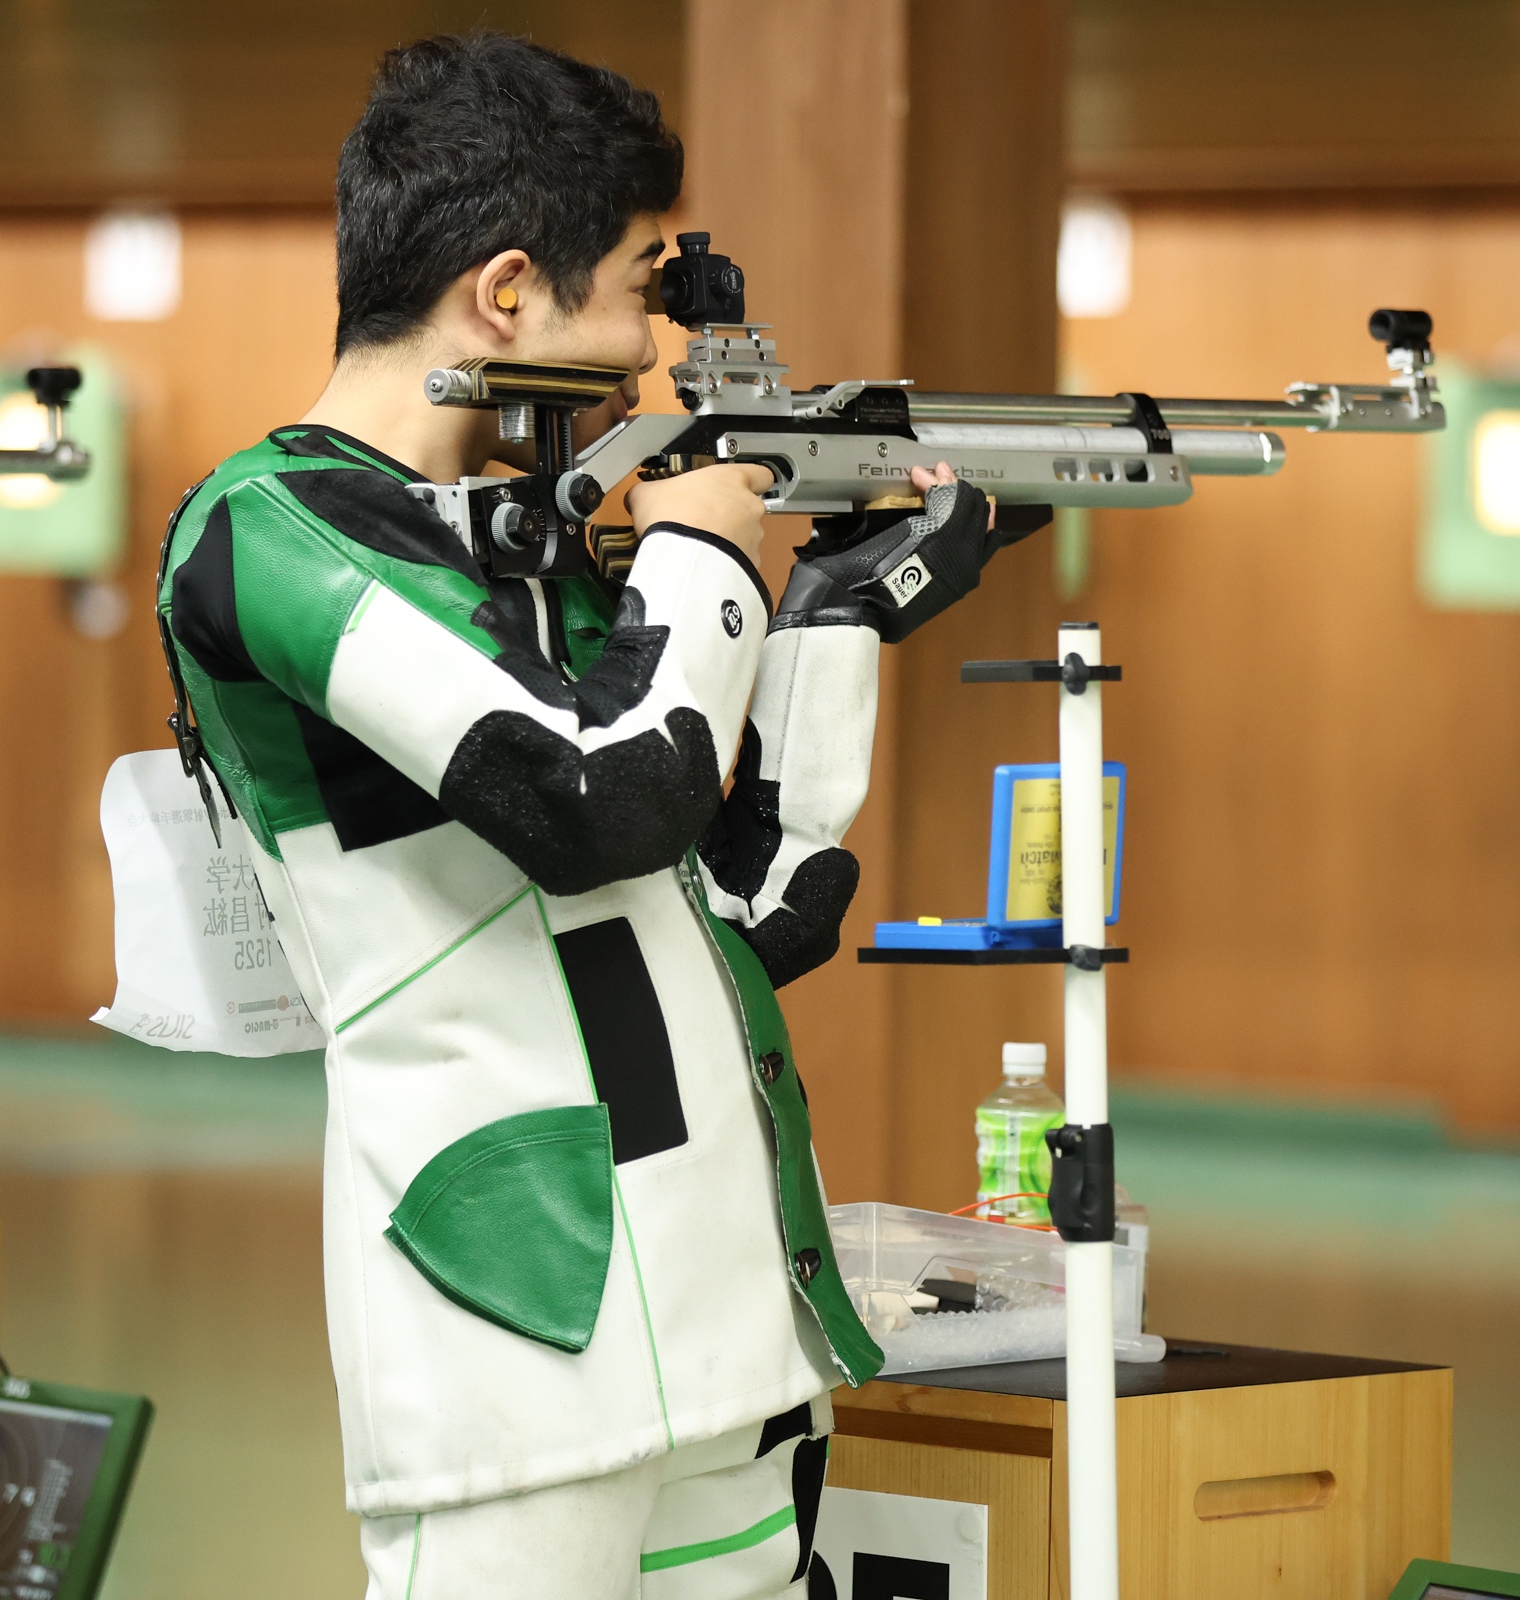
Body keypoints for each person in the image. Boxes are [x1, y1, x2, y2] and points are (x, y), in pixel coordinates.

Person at [155, 33, 1016, 1600]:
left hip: (724, 1314)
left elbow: (747, 915)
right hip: (518, 1332)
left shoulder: (534, 551)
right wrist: (706, 552)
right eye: (636, 290)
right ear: (506, 292)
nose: (649, 355)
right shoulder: (270, 533)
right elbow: (595, 801)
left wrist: (830, 613)